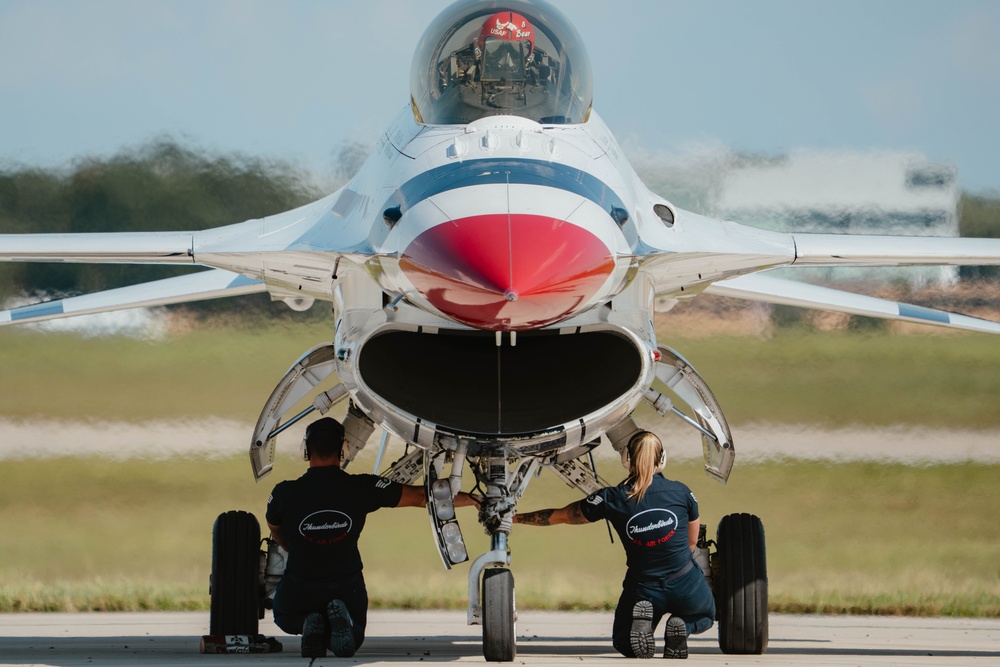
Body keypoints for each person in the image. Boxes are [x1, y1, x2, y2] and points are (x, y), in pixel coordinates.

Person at [266, 416, 479, 658]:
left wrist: (298, 549)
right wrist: (474, 499)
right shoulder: (363, 487)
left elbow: (275, 528)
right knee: (354, 637)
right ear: (343, 450)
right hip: (345, 585)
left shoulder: (283, 493)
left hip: (301, 584)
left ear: (305, 450)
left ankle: (309, 623)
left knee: (283, 616)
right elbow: (423, 498)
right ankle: (336, 624)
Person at [513, 431, 715, 659]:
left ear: (626, 459)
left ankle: (643, 623)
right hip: (684, 581)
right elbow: (691, 542)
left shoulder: (611, 498)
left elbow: (561, 516)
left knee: (623, 641)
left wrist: (514, 517)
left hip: (643, 587)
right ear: (663, 459)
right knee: (706, 615)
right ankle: (682, 626)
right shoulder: (683, 492)